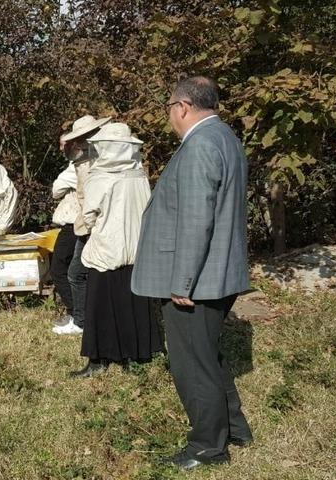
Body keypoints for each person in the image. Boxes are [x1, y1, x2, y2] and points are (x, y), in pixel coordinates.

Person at [131, 76, 252, 469]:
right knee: (206, 355)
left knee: (192, 366)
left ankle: (207, 447)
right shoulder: (225, 137)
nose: (169, 116)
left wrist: (182, 281)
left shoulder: (200, 144)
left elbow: (197, 219)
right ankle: (234, 428)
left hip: (196, 280)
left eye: (169, 107)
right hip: (216, 272)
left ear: (182, 106)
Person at [70, 122, 163, 377]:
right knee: (131, 303)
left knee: (99, 306)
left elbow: (88, 215)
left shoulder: (99, 177)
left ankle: (98, 360)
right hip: (135, 250)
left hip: (106, 249)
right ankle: (135, 356)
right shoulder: (139, 176)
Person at [52, 115, 111, 335]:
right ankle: (85, 317)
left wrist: (89, 226)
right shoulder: (84, 162)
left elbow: (61, 191)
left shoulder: (91, 163)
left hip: (88, 225)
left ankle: (81, 320)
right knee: (82, 272)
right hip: (88, 224)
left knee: (74, 272)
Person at [49, 161, 79, 327]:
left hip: (74, 224)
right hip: (87, 224)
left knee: (59, 269)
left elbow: (56, 190)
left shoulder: (79, 165)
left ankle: (75, 313)